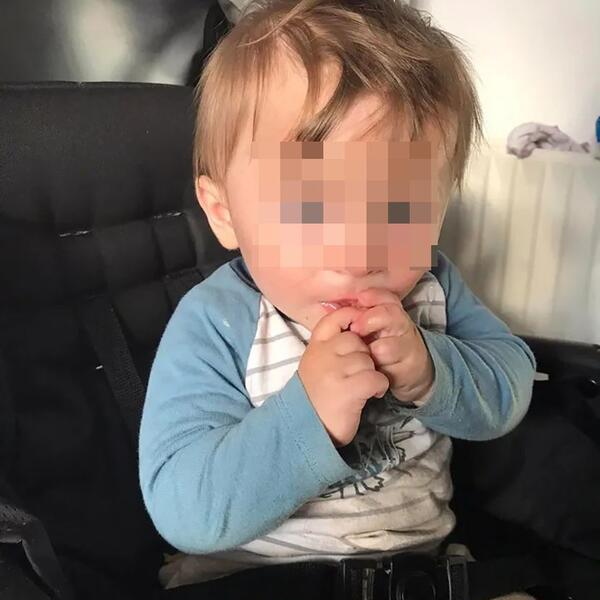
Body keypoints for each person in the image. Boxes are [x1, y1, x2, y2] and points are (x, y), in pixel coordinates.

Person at [138, 0, 537, 595]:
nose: (358, 251)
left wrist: (432, 370)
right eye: (311, 205)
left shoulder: (432, 287)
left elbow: (509, 389)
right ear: (224, 213)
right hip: (257, 580)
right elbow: (184, 511)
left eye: (398, 206)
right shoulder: (218, 321)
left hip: (424, 574)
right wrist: (311, 416)